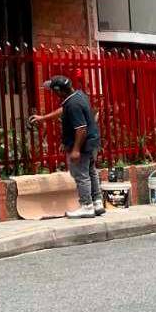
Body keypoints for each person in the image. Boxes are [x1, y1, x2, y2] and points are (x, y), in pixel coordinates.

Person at [29, 75, 104, 218]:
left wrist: (75, 149)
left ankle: (86, 206)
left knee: (81, 175)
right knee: (91, 172)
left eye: (53, 90)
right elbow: (64, 110)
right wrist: (43, 118)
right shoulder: (78, 95)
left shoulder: (73, 104)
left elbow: (81, 128)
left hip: (83, 145)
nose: (53, 93)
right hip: (92, 142)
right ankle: (97, 202)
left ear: (60, 91)